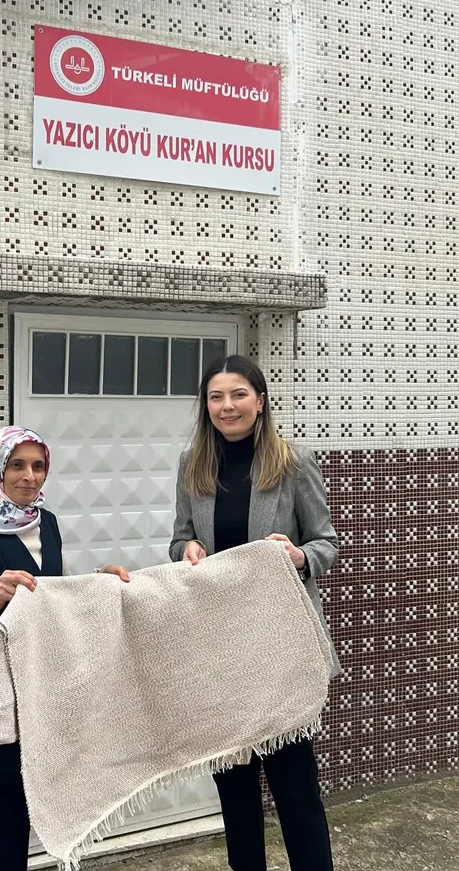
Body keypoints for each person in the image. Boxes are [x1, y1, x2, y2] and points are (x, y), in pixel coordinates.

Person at [0, 425, 130, 871]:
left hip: (35, 702)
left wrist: (100, 581)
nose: (29, 477)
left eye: (38, 466)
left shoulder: (45, 524)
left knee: (16, 836)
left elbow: (58, 592)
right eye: (17, 465)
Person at [169, 354, 340, 871]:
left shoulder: (292, 462)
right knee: (236, 791)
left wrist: (299, 558)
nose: (228, 406)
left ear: (260, 401)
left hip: (279, 645)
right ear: (206, 406)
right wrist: (186, 552)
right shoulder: (192, 463)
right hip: (219, 647)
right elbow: (179, 537)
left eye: (239, 394)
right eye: (216, 397)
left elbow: (327, 543)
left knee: (295, 789)